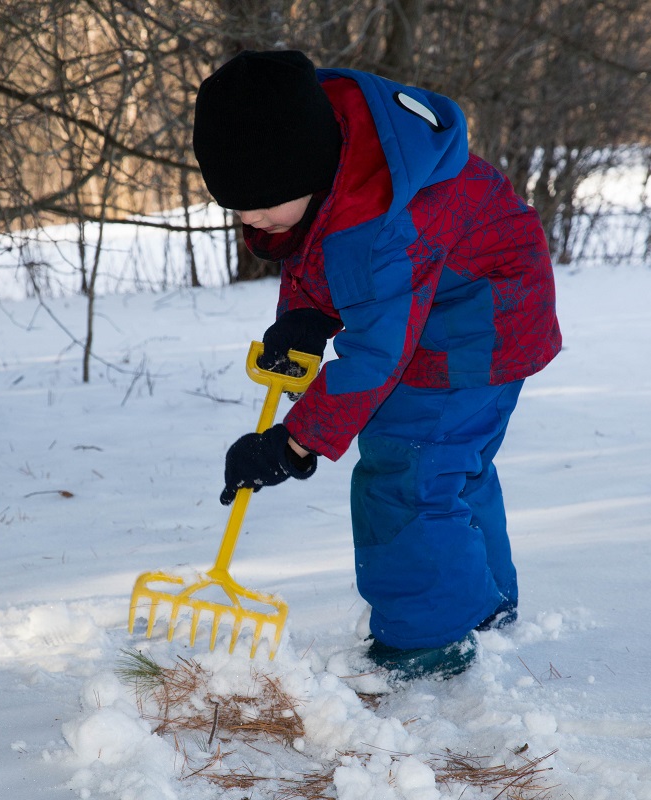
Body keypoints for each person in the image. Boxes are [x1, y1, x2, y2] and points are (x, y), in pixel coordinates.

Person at [192, 50, 561, 682]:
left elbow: (373, 354)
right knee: (450, 468)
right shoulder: (340, 154)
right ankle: (480, 609)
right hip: (461, 307)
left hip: (474, 329)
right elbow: (321, 251)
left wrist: (295, 443)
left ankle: (428, 640)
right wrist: (306, 317)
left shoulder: (378, 223)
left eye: (262, 204)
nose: (249, 220)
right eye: (238, 207)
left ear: (303, 169)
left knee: (406, 475)